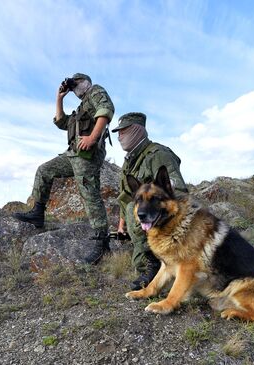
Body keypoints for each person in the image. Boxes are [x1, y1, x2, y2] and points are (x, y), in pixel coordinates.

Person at [14, 73, 115, 264]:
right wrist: (59, 98)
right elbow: (61, 122)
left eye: (77, 82)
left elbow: (106, 109)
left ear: (86, 82)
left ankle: (102, 242)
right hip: (73, 155)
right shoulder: (81, 107)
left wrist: (92, 138)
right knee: (45, 170)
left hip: (87, 155)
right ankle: (38, 213)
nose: (75, 86)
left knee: (90, 194)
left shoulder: (95, 91)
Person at [112, 112, 188, 289]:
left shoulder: (159, 154)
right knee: (137, 260)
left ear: (137, 131)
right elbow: (125, 197)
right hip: (147, 224)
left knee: (138, 209)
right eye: (118, 133)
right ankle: (151, 265)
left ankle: (157, 267)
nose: (119, 136)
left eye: (123, 131)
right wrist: (121, 226)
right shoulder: (130, 161)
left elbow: (178, 191)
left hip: (166, 222)